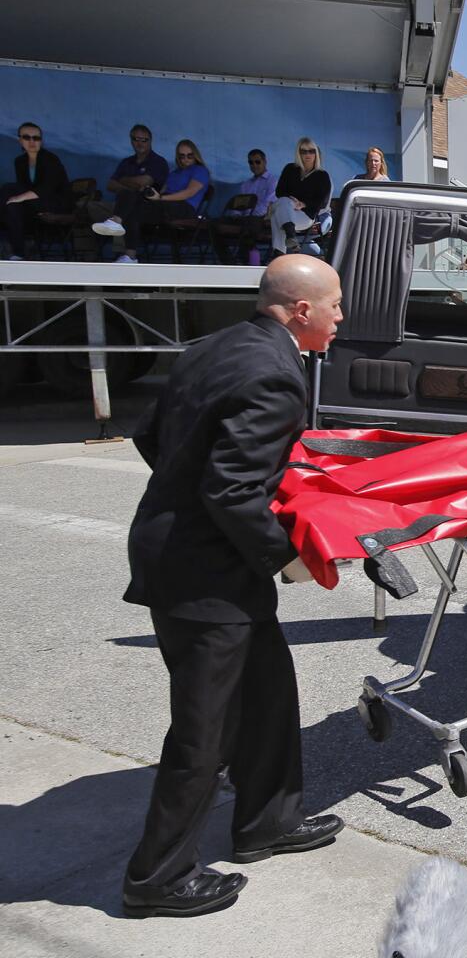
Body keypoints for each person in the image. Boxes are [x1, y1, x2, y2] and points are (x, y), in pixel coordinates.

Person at [120, 255, 345, 918]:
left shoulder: (210, 347)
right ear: (300, 311)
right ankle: (155, 876)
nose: (340, 317)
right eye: (334, 305)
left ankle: (266, 821)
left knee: (268, 689)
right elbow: (233, 489)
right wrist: (290, 556)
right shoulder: (275, 373)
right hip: (202, 574)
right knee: (205, 730)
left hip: (191, 554)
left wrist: (186, 497)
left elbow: (149, 435)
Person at [93, 139, 211, 262]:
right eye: (182, 156)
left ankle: (117, 226)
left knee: (134, 205)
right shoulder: (175, 173)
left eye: (190, 155)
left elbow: (189, 193)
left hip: (184, 207)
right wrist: (152, 195)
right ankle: (128, 252)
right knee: (130, 197)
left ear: (195, 155)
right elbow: (164, 191)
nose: (186, 159)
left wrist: (160, 198)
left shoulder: (200, 170)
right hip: (165, 204)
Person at [86, 124, 169, 258]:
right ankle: (89, 257)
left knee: (128, 206)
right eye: (136, 139)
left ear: (151, 141)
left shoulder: (158, 162)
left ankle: (125, 253)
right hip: (120, 204)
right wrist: (131, 187)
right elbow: (111, 185)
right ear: (131, 140)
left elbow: (144, 182)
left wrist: (123, 180)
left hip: (149, 207)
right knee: (87, 207)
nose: (140, 143)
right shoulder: (126, 162)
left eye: (144, 140)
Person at [3, 122, 69, 260]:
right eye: (27, 137)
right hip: (31, 204)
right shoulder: (19, 161)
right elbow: (23, 188)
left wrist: (19, 197)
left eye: (36, 138)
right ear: (20, 140)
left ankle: (17, 251)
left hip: (54, 203)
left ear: (41, 140)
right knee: (12, 206)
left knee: (8, 190)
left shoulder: (50, 159)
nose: (32, 141)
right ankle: (18, 254)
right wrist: (17, 199)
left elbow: (47, 188)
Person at [270, 137, 332, 256]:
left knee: (276, 213)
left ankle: (279, 253)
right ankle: (290, 237)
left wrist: (303, 204)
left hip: (305, 216)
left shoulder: (322, 175)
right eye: (304, 151)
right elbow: (279, 191)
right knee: (282, 204)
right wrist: (292, 202)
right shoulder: (290, 169)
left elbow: (322, 202)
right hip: (287, 209)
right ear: (299, 153)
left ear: (316, 153)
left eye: (311, 151)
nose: (308, 154)